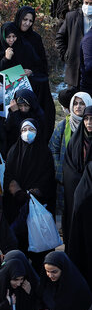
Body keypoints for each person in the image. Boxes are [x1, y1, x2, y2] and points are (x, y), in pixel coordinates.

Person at [4, 118, 56, 260]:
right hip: (17, 205)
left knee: (40, 251)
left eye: (31, 130)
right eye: (24, 130)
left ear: (37, 132)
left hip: (39, 205)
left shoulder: (45, 153)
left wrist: (35, 193)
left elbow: (49, 177)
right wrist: (18, 192)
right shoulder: (13, 152)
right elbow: (8, 175)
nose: (27, 133)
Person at [63, 106, 92, 251]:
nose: (88, 123)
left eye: (91, 119)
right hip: (75, 191)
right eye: (86, 119)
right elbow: (68, 165)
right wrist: (80, 182)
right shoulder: (76, 140)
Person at [56, 0, 92, 88]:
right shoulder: (72, 17)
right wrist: (66, 55)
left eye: (91, 3)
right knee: (75, 100)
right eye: (86, 3)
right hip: (74, 70)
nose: (88, 6)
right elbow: (60, 38)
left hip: (90, 68)